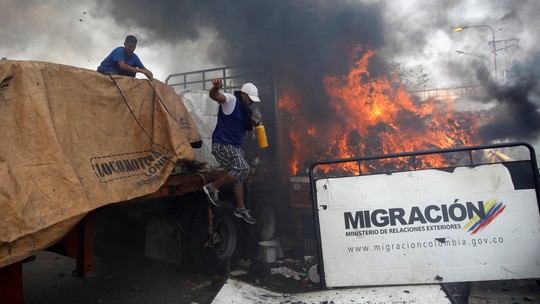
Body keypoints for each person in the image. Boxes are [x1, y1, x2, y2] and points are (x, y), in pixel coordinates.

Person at [203, 78, 262, 224]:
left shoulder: (245, 109)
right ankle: (212, 187)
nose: (252, 102)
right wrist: (215, 88)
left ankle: (241, 209)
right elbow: (215, 96)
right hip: (223, 145)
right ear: (243, 94)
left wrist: (253, 121)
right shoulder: (231, 100)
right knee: (243, 168)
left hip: (235, 147)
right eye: (250, 98)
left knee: (239, 177)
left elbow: (243, 118)